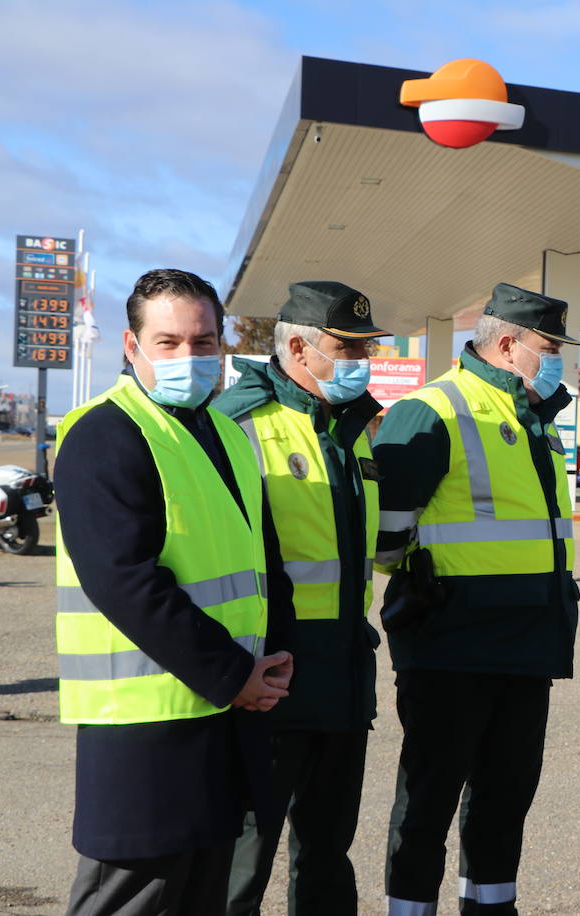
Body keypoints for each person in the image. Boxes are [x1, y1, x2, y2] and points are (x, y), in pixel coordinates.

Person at [53, 268, 295, 916]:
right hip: (145, 730)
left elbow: (260, 562)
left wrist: (271, 662)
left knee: (200, 899)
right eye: (169, 343)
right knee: (131, 901)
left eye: (204, 342)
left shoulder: (223, 434)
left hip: (222, 720)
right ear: (132, 349)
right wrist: (233, 674)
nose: (191, 357)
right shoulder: (104, 435)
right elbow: (126, 583)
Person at [373, 282, 580, 916]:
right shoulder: (435, 408)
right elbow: (386, 535)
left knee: (504, 798)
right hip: (451, 643)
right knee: (429, 799)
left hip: (527, 642)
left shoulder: (532, 413)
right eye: (549, 347)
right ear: (510, 343)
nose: (556, 360)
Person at [217, 281, 390, 915]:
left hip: (342, 674)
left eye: (364, 348)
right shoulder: (238, 425)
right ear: (297, 345)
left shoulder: (351, 430)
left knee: (327, 853)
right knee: (243, 858)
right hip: (268, 676)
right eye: (346, 347)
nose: (358, 361)